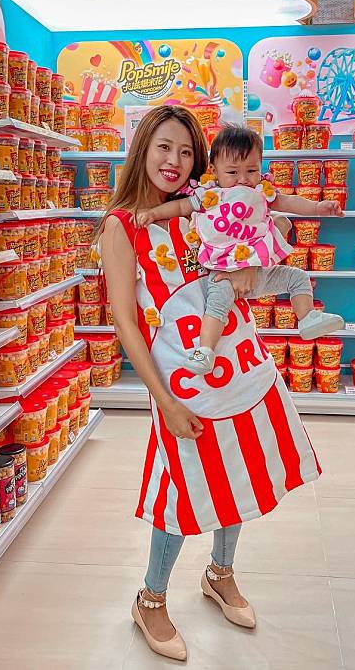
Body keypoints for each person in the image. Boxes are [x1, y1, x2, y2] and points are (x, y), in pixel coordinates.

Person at [98, 106, 321, 662]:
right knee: (181, 486)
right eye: (164, 147)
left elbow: (265, 237)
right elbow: (127, 322)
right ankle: (150, 599)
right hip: (181, 377)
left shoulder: (208, 203)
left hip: (240, 364)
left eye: (186, 151)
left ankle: (220, 574)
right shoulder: (122, 225)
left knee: (239, 470)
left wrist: (250, 269)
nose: (174, 161)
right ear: (142, 149)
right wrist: (164, 401)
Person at [135, 123, 345, 375]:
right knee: (216, 307)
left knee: (298, 278)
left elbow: (289, 202)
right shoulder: (209, 195)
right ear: (214, 170)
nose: (243, 179)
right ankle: (205, 350)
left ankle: (307, 317)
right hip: (222, 273)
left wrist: (318, 207)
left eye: (251, 170)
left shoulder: (261, 193)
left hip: (259, 272)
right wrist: (153, 213)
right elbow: (180, 207)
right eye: (233, 172)